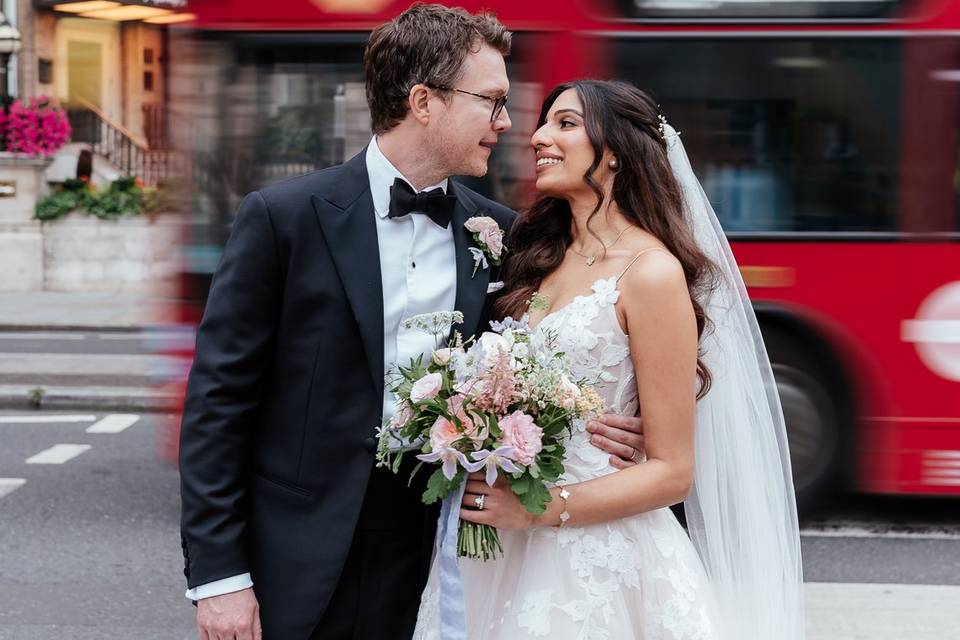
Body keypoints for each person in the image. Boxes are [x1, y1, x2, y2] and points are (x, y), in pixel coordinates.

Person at [178, 7, 645, 639]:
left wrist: (604, 425)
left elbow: (541, 358)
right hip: (300, 553)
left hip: (446, 547)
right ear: (424, 101)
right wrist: (221, 579)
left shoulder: (504, 233)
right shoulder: (281, 219)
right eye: (493, 101)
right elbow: (218, 405)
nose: (507, 124)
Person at [413, 80, 805, 639]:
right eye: (544, 123)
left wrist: (539, 509)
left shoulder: (650, 272)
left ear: (617, 150)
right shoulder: (532, 253)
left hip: (595, 558)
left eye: (566, 124)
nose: (539, 136)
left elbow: (673, 472)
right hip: (497, 547)